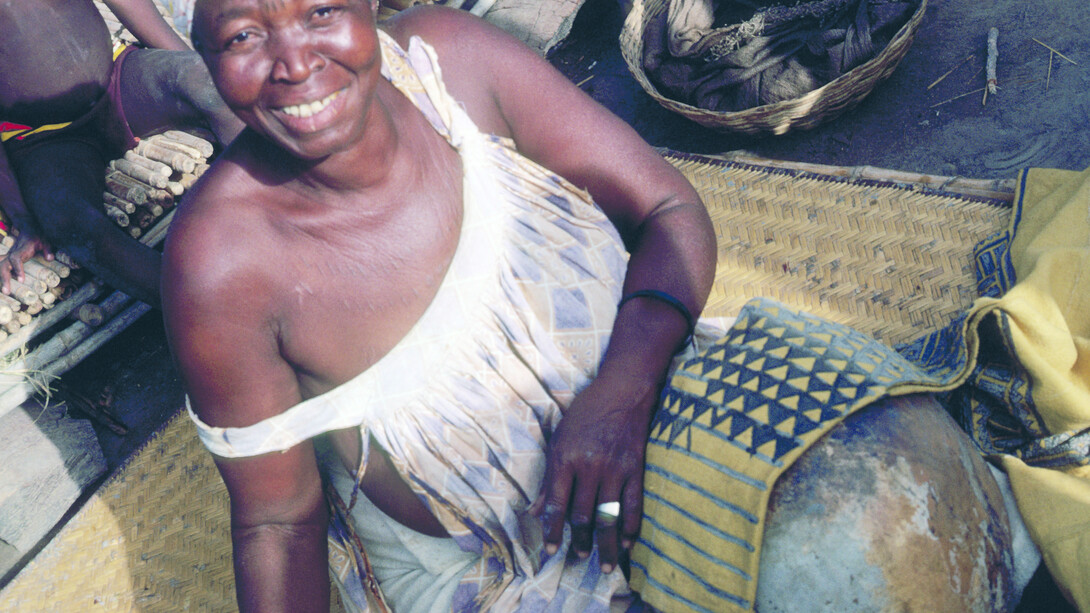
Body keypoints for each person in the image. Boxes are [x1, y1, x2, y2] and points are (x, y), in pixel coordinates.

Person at [164, 0, 1031, 611]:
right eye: (243, 33)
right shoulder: (222, 264)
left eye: (319, 12)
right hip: (494, 562)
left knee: (897, 509)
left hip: (659, 398)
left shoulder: (451, 65)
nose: (292, 64)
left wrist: (620, 393)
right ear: (204, 50)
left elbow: (668, 210)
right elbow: (276, 518)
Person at [0, 0, 243, 307]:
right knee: (70, 223)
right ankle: (206, 308)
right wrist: (25, 221)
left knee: (212, 87)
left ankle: (281, 217)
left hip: (118, 78)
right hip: (46, 139)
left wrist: (192, 70)